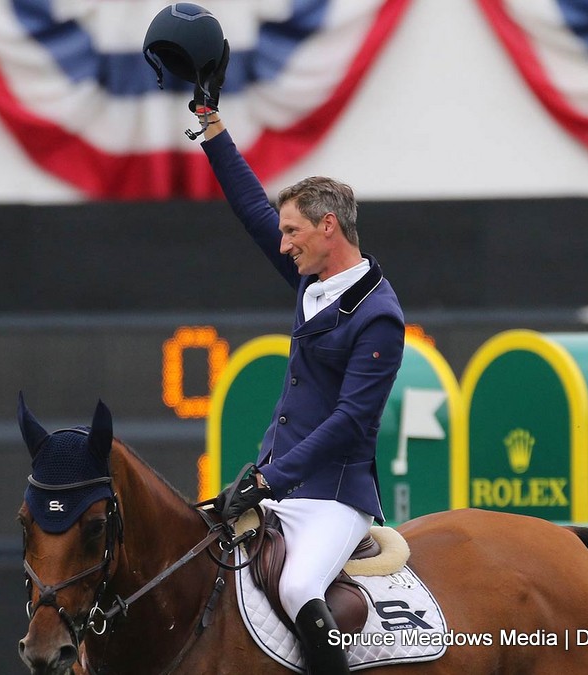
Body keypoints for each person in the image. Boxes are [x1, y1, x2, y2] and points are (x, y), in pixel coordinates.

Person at [200, 100, 405, 674]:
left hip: (335, 498)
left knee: (296, 588)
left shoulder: (378, 316)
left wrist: (270, 478)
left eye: (293, 231)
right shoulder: (310, 276)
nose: (283, 243)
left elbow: (351, 424)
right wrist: (212, 127)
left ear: (328, 227)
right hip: (281, 485)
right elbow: (248, 206)